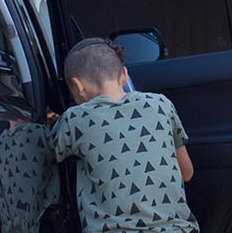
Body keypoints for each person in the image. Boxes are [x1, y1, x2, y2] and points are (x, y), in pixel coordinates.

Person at [51, 39, 198, 232]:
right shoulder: (161, 104)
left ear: (77, 85)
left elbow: (41, 155)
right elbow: (187, 173)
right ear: (124, 74)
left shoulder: (75, 118)